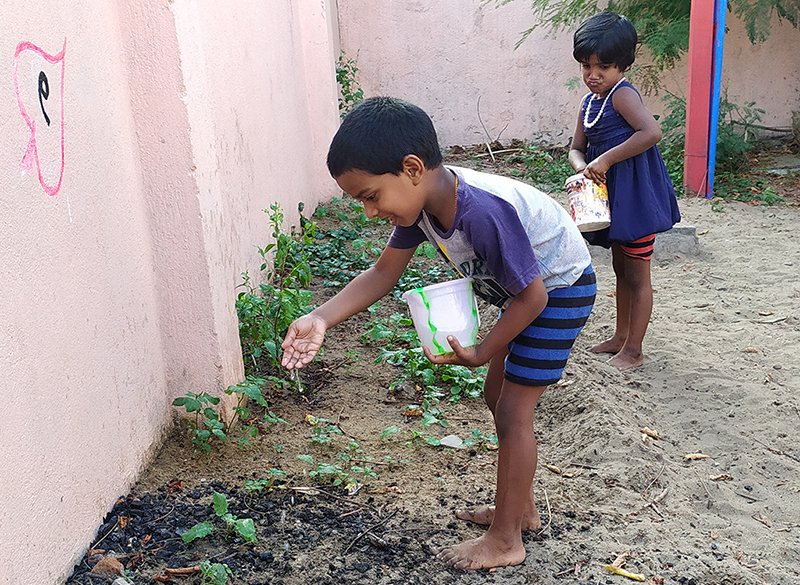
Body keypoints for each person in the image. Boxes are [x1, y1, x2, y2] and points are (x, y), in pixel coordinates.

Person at [281, 96, 597, 570]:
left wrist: (483, 349)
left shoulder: (480, 212)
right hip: (526, 293)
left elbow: (534, 298)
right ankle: (521, 509)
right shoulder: (423, 204)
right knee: (497, 396)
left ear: (412, 168)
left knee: (513, 410)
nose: (369, 212)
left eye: (370, 196)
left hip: (560, 289)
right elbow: (383, 273)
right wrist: (321, 317)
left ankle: (506, 539)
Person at [568, 11, 681, 371]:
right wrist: (582, 167)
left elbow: (650, 133)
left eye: (603, 67)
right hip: (611, 200)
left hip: (636, 199)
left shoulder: (622, 96)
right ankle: (620, 338)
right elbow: (575, 148)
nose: (593, 75)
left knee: (638, 273)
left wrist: (606, 161)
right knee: (620, 268)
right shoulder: (589, 104)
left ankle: (635, 349)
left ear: (624, 65)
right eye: (586, 66)